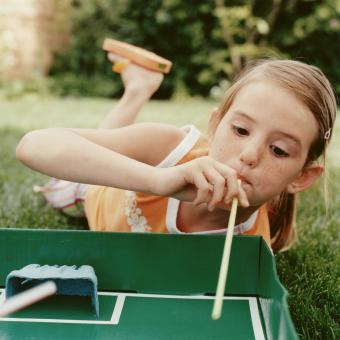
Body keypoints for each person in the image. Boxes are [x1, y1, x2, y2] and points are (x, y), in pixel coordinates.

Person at [16, 54, 337, 253]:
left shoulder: (248, 249)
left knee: (105, 140)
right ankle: (138, 90)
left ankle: (139, 87)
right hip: (95, 190)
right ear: (215, 124)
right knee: (74, 172)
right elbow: (34, 145)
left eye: (279, 150)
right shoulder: (171, 148)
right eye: (240, 130)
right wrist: (159, 180)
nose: (250, 155)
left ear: (302, 177)